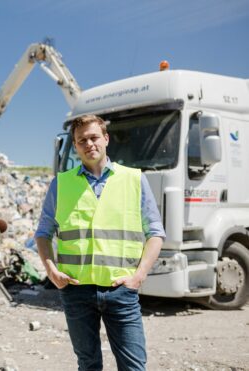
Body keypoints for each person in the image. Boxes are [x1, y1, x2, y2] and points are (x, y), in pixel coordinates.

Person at [35, 114, 165, 370]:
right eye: (81, 140)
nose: (89, 144)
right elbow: (43, 233)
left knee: (134, 365)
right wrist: (51, 271)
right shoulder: (60, 184)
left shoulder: (134, 179)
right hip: (75, 290)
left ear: (105, 139)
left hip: (121, 290)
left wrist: (139, 276)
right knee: (88, 364)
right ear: (75, 146)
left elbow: (155, 233)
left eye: (94, 137)